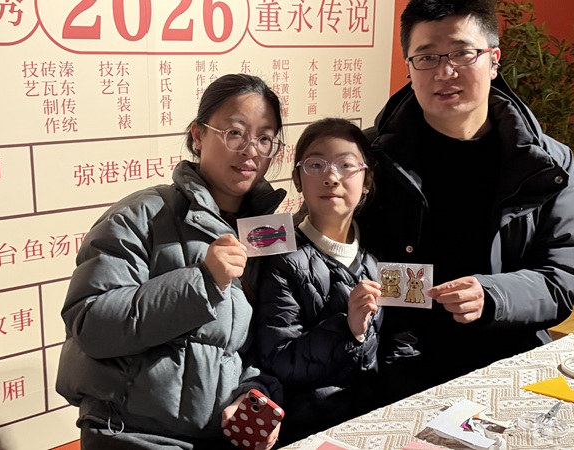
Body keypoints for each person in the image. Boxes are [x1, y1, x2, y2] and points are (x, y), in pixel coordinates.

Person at [358, 0, 574, 403]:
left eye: (463, 53)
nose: (445, 72)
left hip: (507, 358)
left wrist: (493, 294)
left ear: (494, 60)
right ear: (409, 66)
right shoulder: (369, 158)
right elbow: (324, 250)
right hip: (395, 363)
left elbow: (563, 276)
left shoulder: (547, 162)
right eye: (427, 57)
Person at [56, 73, 288, 450]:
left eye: (264, 138)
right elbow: (91, 324)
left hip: (217, 438)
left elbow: (251, 346)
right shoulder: (141, 215)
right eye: (235, 133)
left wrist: (253, 392)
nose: (251, 150)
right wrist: (203, 281)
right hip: (131, 435)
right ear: (198, 135)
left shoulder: (262, 233)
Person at [254, 118, 384, 445]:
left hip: (376, 420)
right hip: (312, 428)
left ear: (367, 180)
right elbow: (279, 360)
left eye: (346, 165)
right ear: (298, 179)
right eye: (315, 165)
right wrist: (348, 329)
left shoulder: (379, 254)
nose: (331, 177)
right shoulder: (281, 259)